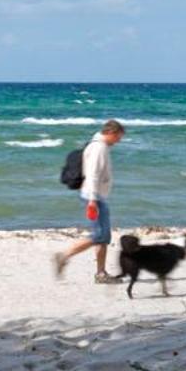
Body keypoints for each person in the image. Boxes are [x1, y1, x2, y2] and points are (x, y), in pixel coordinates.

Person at [54, 119, 125, 282]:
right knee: (100, 235)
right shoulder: (98, 148)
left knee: (103, 236)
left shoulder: (100, 146)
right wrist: (93, 200)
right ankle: (64, 256)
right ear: (111, 133)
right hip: (94, 196)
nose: (119, 141)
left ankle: (101, 273)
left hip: (97, 196)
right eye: (118, 137)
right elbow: (92, 175)